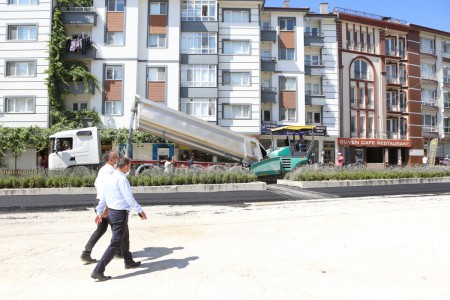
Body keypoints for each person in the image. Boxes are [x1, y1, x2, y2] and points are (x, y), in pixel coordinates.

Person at [91, 157, 147, 282]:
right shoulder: (122, 179)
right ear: (126, 166)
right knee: (115, 243)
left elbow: (103, 197)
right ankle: (98, 270)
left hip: (112, 213)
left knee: (125, 237)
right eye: (129, 166)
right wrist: (140, 211)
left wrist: (99, 212)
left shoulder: (109, 178)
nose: (129, 169)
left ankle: (128, 261)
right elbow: (129, 198)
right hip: (119, 215)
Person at [80, 151, 119, 264]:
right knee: (118, 228)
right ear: (111, 160)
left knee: (101, 229)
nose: (118, 159)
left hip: (99, 201)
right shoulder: (111, 171)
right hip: (106, 202)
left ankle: (86, 253)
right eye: (116, 157)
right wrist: (106, 207)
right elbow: (109, 189)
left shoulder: (103, 169)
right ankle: (119, 252)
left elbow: (96, 184)